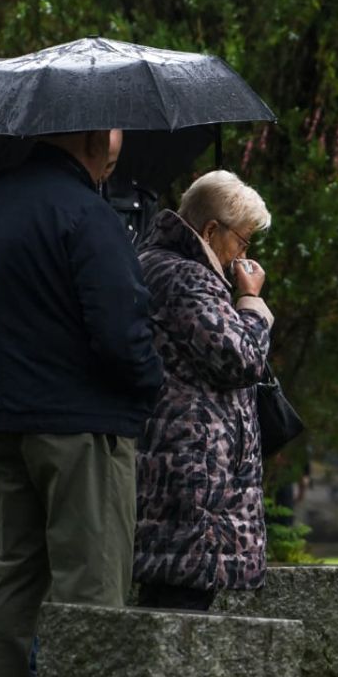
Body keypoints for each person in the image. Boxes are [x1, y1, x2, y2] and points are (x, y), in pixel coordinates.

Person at [0, 129, 164, 677]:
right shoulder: (88, 215)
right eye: (114, 135)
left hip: (6, 416)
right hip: (82, 424)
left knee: (12, 570)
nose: (119, 147)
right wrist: (150, 382)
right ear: (88, 137)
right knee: (92, 575)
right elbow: (119, 331)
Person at [132, 171, 276, 610]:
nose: (243, 255)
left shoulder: (155, 263)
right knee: (180, 604)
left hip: (179, 463)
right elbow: (241, 360)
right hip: (193, 471)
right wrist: (252, 304)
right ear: (212, 231)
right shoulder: (187, 278)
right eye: (243, 241)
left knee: (171, 600)